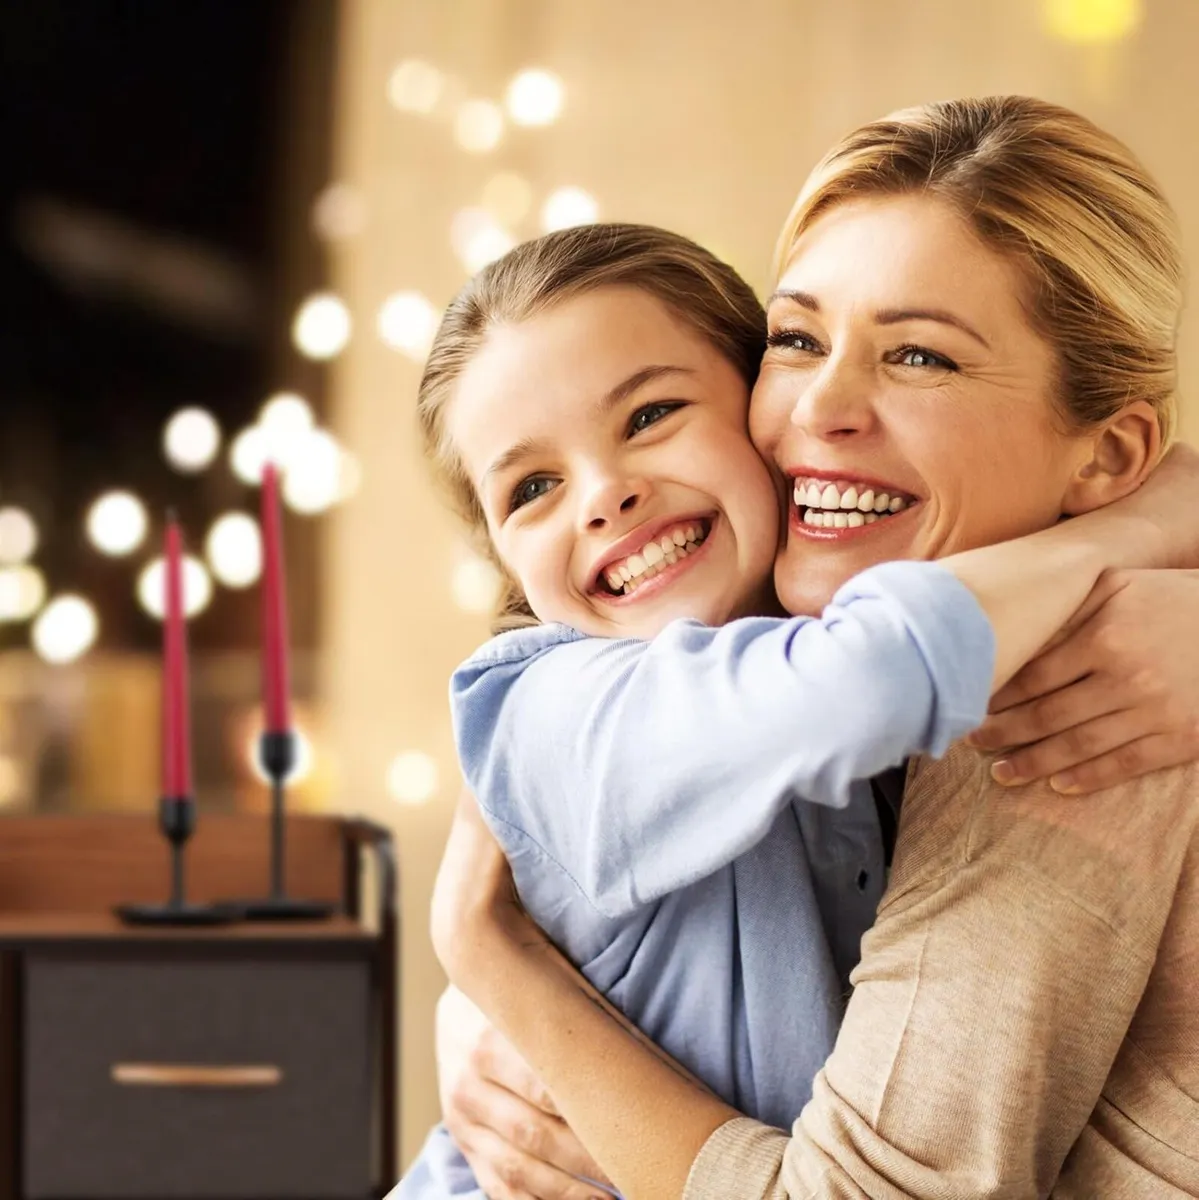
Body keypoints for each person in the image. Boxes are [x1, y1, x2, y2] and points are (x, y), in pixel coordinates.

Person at [428, 96, 1199, 1198]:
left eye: (921, 356)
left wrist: (498, 969)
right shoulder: (606, 695)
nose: (820, 407)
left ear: (1107, 451)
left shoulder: (1081, 696)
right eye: (795, 340)